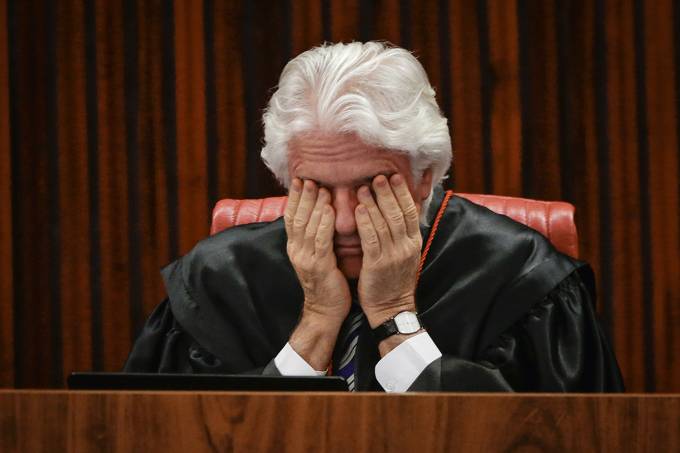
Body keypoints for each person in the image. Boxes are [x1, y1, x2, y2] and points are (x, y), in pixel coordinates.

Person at [124, 41, 623, 392]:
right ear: (285, 177)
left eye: (371, 188)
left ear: (425, 176)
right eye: (316, 188)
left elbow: (549, 436)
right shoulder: (216, 281)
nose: (344, 222)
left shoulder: (522, 278)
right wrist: (316, 323)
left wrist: (394, 317)